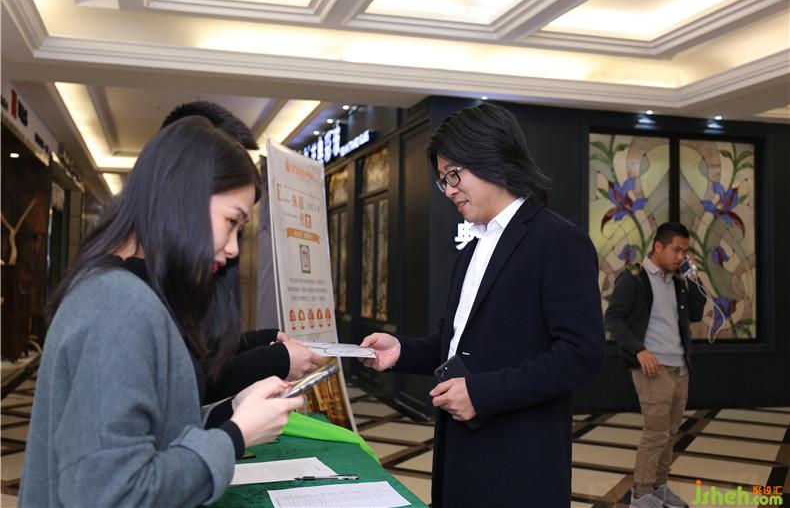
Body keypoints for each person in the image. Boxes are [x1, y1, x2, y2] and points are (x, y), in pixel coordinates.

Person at [20, 116, 304, 507]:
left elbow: (154, 436)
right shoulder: (119, 305)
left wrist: (234, 412)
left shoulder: (125, 293)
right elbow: (112, 494)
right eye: (231, 222)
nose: (234, 248)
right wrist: (235, 435)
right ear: (183, 198)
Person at [361, 103, 606, 507]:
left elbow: (581, 355)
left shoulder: (558, 241)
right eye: (443, 180)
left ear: (493, 158)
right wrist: (401, 350)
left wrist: (481, 393)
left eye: (454, 175)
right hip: (459, 453)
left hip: (519, 462)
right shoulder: (472, 249)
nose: (448, 190)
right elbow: (455, 342)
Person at [160, 101, 325, 418]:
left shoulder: (191, 273)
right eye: (231, 222)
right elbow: (184, 388)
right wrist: (238, 428)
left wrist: (261, 345)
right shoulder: (128, 295)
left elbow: (197, 368)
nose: (233, 249)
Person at [606, 222, 706, 508]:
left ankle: (659, 487)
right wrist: (639, 351)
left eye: (685, 252)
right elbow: (613, 318)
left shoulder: (679, 281)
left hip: (680, 367)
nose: (681, 257)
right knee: (656, 434)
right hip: (653, 367)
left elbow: (696, 314)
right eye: (676, 250)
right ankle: (641, 494)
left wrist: (694, 277)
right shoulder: (634, 279)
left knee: (670, 434)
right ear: (658, 246)